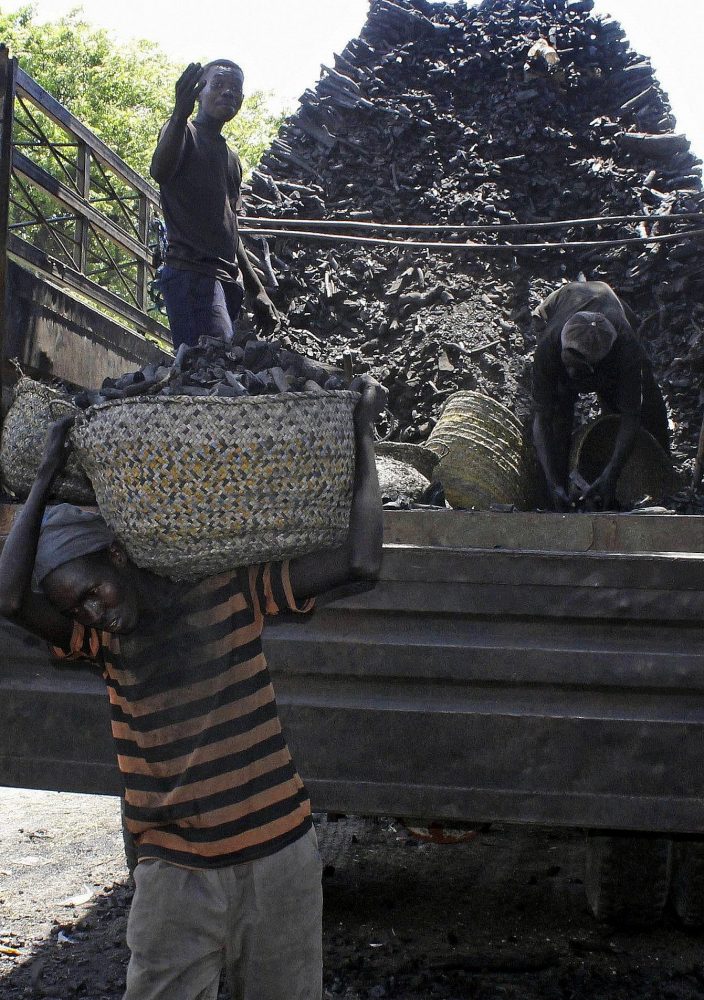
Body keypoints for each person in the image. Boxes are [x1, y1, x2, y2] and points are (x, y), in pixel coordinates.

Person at [0, 374, 386, 1000]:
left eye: (92, 591)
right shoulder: (101, 645)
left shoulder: (231, 590)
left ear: (118, 556)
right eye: (77, 610)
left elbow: (361, 562)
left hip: (279, 859)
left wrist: (362, 434)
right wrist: (43, 477)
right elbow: (8, 596)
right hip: (175, 877)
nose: (93, 614)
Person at [150, 59, 280, 348]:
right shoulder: (182, 133)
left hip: (225, 279)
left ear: (242, 100)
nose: (228, 93)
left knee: (216, 368)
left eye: (235, 88)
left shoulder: (231, 158)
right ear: (199, 92)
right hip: (192, 274)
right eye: (218, 84)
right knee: (212, 363)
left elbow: (230, 226)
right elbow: (159, 171)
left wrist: (255, 288)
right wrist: (178, 115)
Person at [531, 280, 670, 512]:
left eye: (578, 371)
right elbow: (541, 418)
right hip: (566, 300)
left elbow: (631, 417)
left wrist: (611, 474)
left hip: (615, 315)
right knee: (558, 414)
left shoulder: (626, 351)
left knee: (648, 409)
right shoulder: (549, 345)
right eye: (568, 364)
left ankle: (664, 479)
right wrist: (552, 482)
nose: (570, 373)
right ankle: (557, 491)